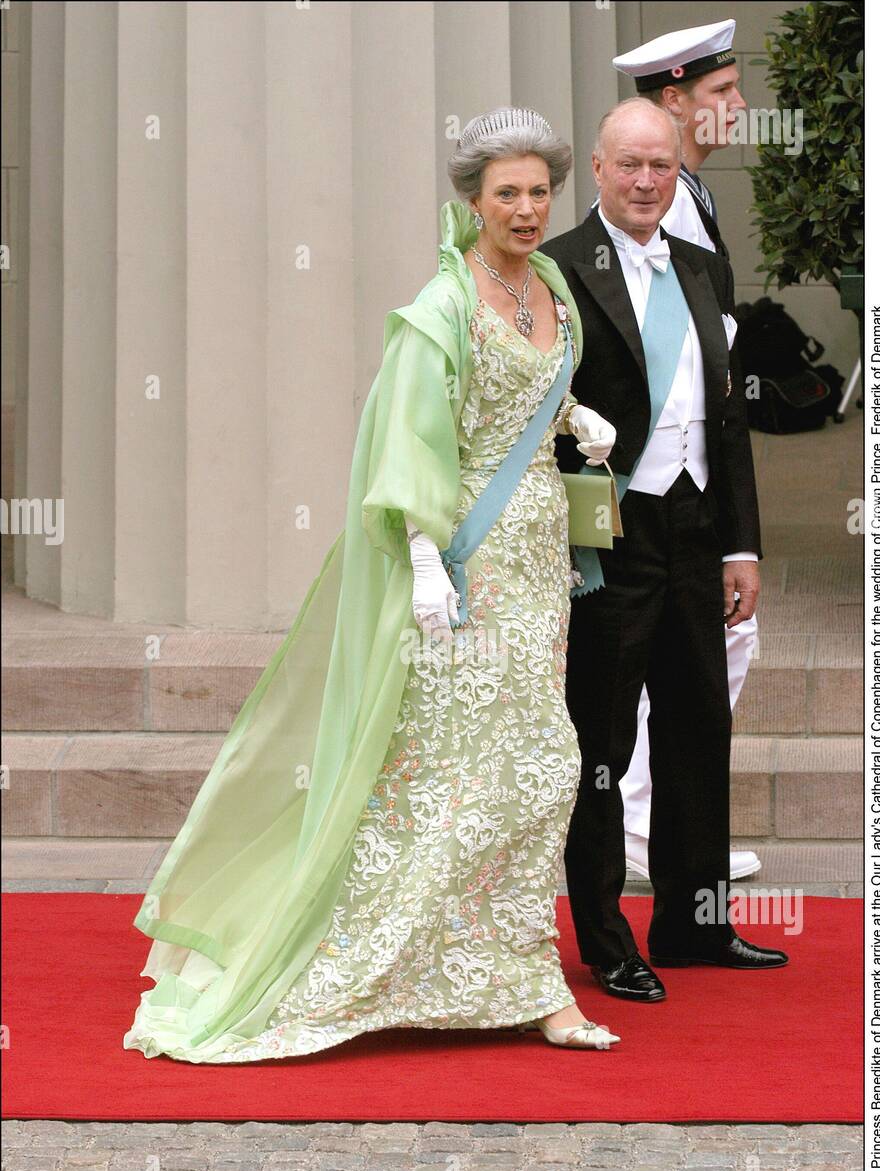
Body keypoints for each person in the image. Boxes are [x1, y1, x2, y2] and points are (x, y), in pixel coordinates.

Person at [122, 106, 623, 1063]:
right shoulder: (439, 307)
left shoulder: (551, 282)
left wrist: (574, 417)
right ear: (471, 201)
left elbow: (520, 385)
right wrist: (430, 563)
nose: (526, 209)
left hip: (539, 564)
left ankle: (520, 974)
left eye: (537, 191)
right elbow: (406, 439)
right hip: (466, 573)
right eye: (506, 194)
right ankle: (388, 961)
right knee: (445, 774)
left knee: (537, 770)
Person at [542, 98, 788, 1006]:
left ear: (676, 172)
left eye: (662, 166)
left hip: (695, 529)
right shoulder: (558, 269)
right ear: (598, 172)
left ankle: (693, 922)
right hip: (608, 535)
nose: (646, 181)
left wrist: (742, 546)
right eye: (629, 165)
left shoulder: (702, 268)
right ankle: (605, 942)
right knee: (601, 744)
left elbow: (725, 422)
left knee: (697, 728)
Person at [611, 19, 762, 888]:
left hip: (697, 462)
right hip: (662, 473)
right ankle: (643, 823)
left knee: (716, 640)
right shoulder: (662, 200)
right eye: (720, 93)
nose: (739, 106)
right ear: (672, 102)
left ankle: (655, 821)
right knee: (698, 641)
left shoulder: (693, 194)